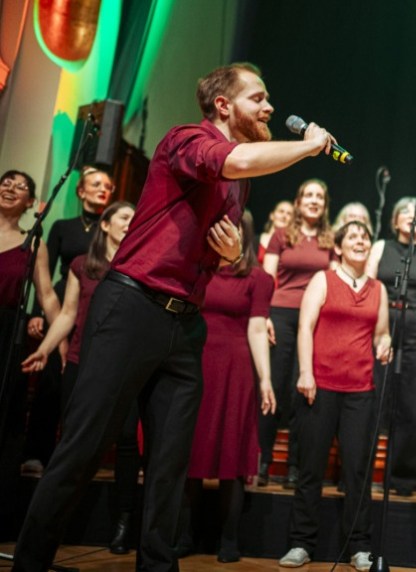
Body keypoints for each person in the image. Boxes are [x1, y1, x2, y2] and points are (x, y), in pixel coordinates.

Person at [12, 62, 338, 572]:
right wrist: (307, 145)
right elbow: (231, 160)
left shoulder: (240, 185)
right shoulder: (187, 138)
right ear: (224, 105)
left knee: (169, 466)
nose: (270, 107)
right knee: (82, 448)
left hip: (185, 324)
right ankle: (30, 563)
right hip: (132, 307)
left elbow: (217, 248)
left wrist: (231, 257)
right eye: (259, 98)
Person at [20, 202, 138, 554]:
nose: (130, 224)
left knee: (128, 442)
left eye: (135, 218)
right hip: (82, 362)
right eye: (124, 218)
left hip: (127, 367)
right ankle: (56, 523)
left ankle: (122, 522)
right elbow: (68, 312)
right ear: (105, 225)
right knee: (74, 440)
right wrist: (46, 347)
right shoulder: (82, 264)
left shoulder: (140, 265)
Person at [278, 221, 390, 571]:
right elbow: (305, 328)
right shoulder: (323, 280)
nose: (361, 241)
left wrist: (385, 345)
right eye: (353, 237)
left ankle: (359, 546)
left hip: (360, 390)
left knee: (358, 472)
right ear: (339, 247)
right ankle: (301, 543)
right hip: (321, 386)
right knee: (310, 468)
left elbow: (381, 334)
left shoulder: (379, 289)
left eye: (365, 237)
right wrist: (306, 373)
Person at [179, 211, 275, 563]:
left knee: (231, 452)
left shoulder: (257, 277)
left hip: (234, 368)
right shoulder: (196, 268)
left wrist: (265, 379)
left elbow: (256, 329)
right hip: (193, 359)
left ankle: (229, 539)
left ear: (242, 233)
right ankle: (184, 534)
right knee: (190, 447)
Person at [22, 165, 114, 473]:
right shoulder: (63, 225)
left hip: (97, 305)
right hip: (63, 300)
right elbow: (44, 276)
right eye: (97, 184)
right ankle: (37, 452)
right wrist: (37, 313)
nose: (103, 189)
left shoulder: (113, 227)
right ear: (81, 190)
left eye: (108, 186)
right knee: (50, 381)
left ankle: (74, 458)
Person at [366, 196, 416, 496]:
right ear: (396, 219)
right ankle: (361, 474)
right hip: (382, 323)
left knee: (413, 403)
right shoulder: (381, 247)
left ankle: (401, 478)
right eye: (408, 213)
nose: (414, 217)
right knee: (375, 397)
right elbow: (370, 284)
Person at [260, 178, 335, 488]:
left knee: (300, 393)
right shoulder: (281, 235)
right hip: (280, 314)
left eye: (320, 196)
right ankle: (262, 462)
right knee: (274, 389)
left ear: (325, 204)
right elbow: (266, 279)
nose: (314, 201)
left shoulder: (330, 241)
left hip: (314, 320)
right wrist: (262, 314)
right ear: (299, 201)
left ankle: (294, 465)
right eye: (309, 195)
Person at [0, 170, 60, 499]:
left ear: (30, 203)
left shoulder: (34, 244)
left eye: (19, 186)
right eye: (5, 182)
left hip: (8, 334)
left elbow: (48, 295)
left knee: (7, 418)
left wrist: (59, 344)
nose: (10, 189)